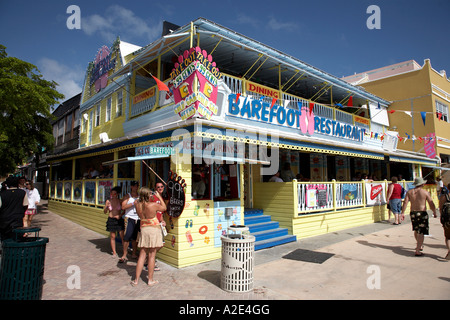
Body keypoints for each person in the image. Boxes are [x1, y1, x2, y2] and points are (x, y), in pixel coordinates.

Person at [130, 187, 166, 287]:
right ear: (147, 195)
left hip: (144, 229)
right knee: (152, 255)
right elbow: (164, 208)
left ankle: (136, 280)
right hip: (153, 229)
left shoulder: (137, 204)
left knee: (142, 254)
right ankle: (150, 280)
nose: (152, 195)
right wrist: (159, 196)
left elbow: (138, 201)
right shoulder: (153, 205)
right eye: (150, 194)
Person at [401, 177, 437, 256]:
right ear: (422, 184)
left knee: (416, 230)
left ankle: (419, 245)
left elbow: (405, 203)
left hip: (413, 212)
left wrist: (402, 213)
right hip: (422, 213)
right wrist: (434, 211)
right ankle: (418, 250)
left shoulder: (410, 192)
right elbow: (431, 203)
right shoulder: (425, 192)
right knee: (421, 231)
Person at [0, 176, 28, 241]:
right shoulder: (22, 193)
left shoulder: (2, 194)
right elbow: (25, 205)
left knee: (5, 240)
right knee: (17, 240)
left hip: (4, 222)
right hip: (17, 221)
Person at [120, 181, 140, 263]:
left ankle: (134, 253)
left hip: (138, 218)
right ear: (131, 187)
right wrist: (133, 203)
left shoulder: (139, 196)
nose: (136, 187)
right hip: (130, 217)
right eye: (134, 186)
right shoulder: (127, 196)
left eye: (137, 186)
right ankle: (124, 254)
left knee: (135, 238)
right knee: (127, 237)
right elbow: (123, 206)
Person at [104, 186, 124, 258]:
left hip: (118, 219)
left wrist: (120, 215)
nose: (113, 195)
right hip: (111, 219)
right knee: (112, 236)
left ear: (117, 194)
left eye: (114, 194)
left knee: (122, 236)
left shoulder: (120, 201)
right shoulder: (108, 201)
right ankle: (114, 252)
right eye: (112, 194)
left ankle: (124, 251)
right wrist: (106, 207)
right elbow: (105, 212)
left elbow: (124, 210)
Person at [438, 183, 450, 260]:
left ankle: (449, 250)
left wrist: (441, 217)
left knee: (448, 237)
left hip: (447, 219)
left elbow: (440, 208)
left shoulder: (444, 196)